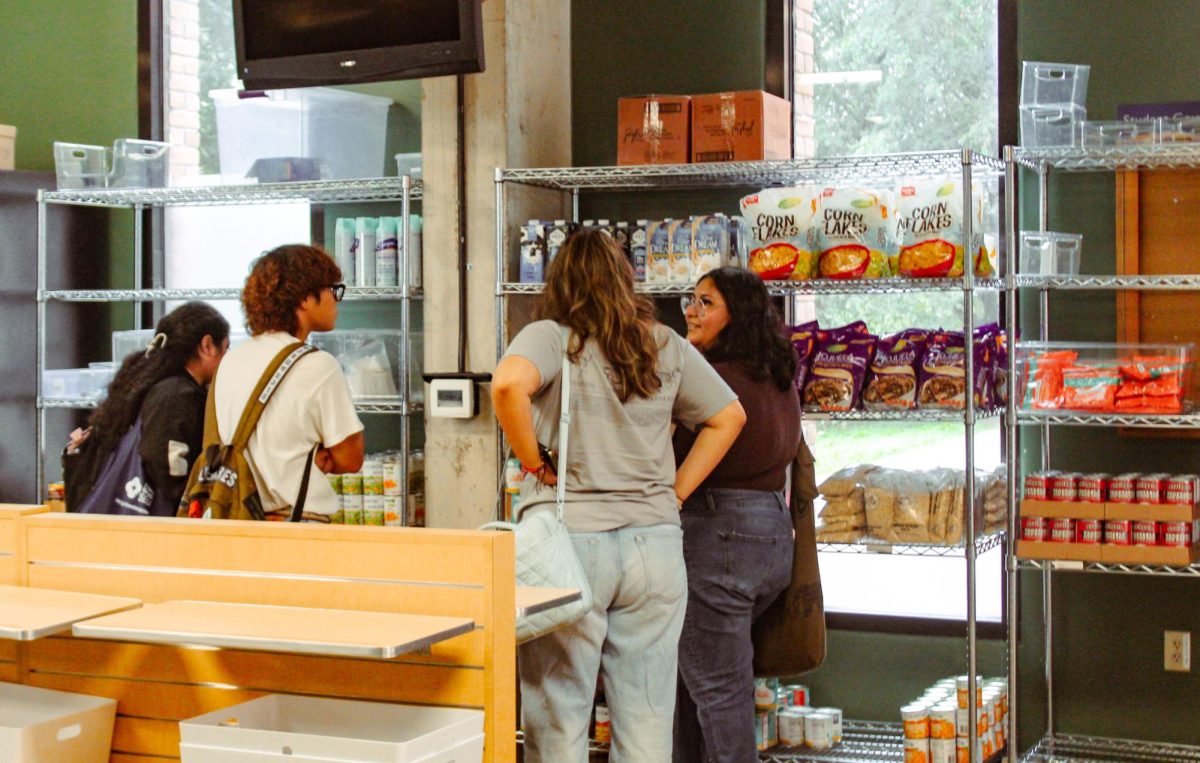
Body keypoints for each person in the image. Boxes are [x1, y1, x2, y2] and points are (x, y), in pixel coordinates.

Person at [492, 229, 746, 762]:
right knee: (649, 720)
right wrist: (674, 493)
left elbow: (507, 385)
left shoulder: (550, 336)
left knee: (559, 716)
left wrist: (534, 460)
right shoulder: (663, 343)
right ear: (628, 280)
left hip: (570, 547)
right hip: (654, 549)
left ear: (561, 282)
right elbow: (728, 417)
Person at [672, 266, 802, 763]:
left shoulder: (712, 381)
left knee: (718, 693)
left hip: (718, 537)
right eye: (692, 299)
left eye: (707, 303)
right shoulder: (776, 375)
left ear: (737, 316)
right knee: (699, 680)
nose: (692, 310)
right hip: (771, 533)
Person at [211, 244, 364, 519]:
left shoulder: (230, 361)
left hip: (240, 518)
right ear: (305, 298)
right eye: (332, 289)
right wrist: (319, 454)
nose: (336, 299)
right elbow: (351, 458)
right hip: (298, 523)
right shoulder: (318, 366)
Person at [64, 301, 230, 515]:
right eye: (226, 348)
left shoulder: (149, 383)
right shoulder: (177, 394)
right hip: (151, 525)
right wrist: (189, 500)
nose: (227, 359)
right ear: (207, 346)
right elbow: (164, 460)